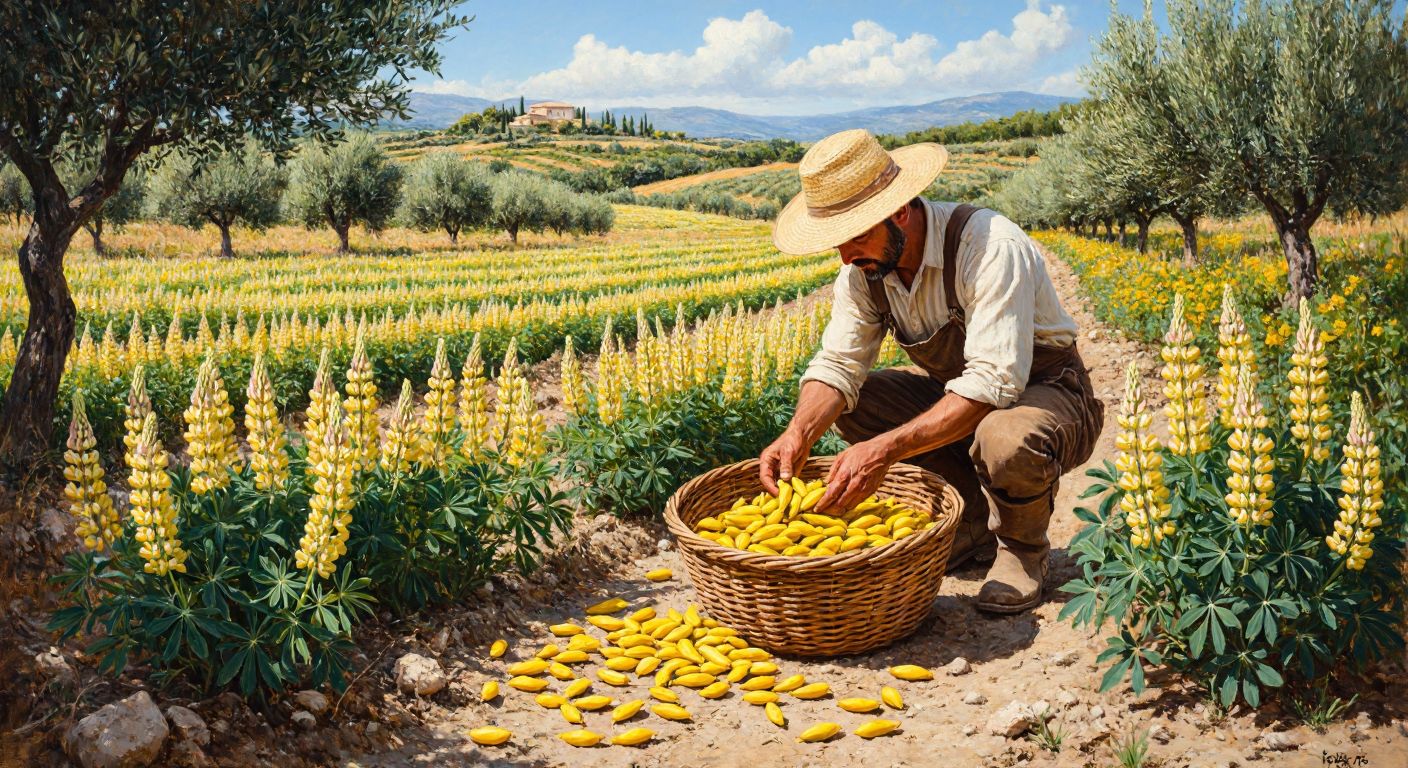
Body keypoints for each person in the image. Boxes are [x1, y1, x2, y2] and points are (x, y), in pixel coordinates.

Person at [759, 129, 1103, 613]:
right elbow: (838, 363)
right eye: (837, 242)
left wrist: (884, 451)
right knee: (860, 405)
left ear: (899, 211)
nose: (845, 256)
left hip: (1045, 391)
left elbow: (992, 382)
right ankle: (972, 524)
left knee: (1003, 437)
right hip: (964, 395)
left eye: (856, 235)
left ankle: (1023, 553)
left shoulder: (987, 245)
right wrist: (798, 432)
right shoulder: (864, 272)